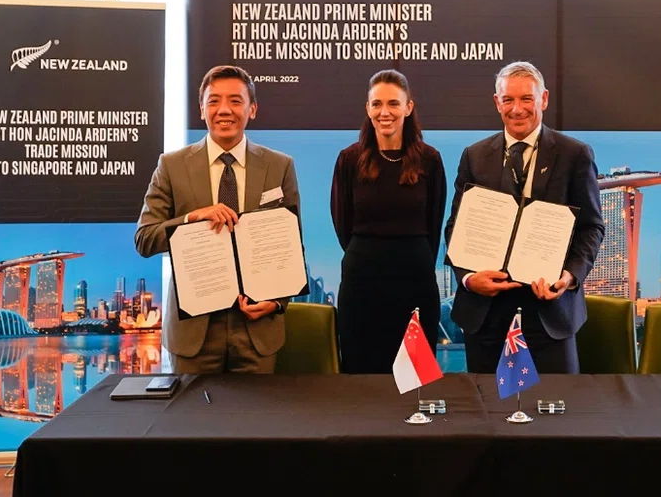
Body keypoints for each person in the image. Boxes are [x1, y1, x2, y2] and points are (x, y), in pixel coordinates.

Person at [135, 65, 300, 374]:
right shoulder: (171, 166)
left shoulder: (280, 166)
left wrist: (278, 303)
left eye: (236, 101)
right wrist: (190, 219)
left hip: (257, 330)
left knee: (253, 420)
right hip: (193, 332)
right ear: (201, 110)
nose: (224, 110)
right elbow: (145, 239)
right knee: (191, 422)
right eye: (214, 101)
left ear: (252, 109)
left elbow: (291, 247)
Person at [444, 61, 604, 374]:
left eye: (526, 99)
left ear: (543, 99)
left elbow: (591, 228)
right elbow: (455, 228)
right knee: (487, 414)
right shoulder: (473, 156)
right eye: (508, 99)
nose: (517, 109)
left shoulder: (575, 155)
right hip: (485, 315)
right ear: (496, 102)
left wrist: (567, 277)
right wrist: (467, 278)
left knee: (556, 412)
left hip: (550, 314)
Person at [331, 69, 446, 374]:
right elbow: (342, 223)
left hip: (416, 281)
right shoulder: (349, 160)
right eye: (377, 104)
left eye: (394, 104)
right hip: (362, 283)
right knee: (362, 375)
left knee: (415, 375)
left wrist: (412, 256)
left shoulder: (430, 160)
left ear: (408, 107)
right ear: (368, 109)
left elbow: (434, 223)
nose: (385, 112)